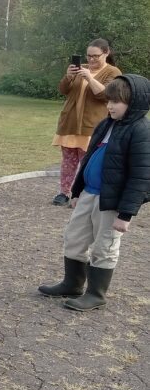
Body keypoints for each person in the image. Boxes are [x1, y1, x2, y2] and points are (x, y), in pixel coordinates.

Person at [38, 74, 150, 310]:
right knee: (74, 237)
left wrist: (126, 214)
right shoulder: (106, 124)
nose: (109, 106)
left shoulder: (141, 131)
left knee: (105, 246)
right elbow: (88, 159)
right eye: (108, 101)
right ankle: (72, 283)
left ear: (135, 102)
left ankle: (96, 293)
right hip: (89, 194)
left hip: (111, 203)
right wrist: (77, 191)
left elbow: (141, 176)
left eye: (116, 102)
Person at [51, 39, 122, 206]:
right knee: (68, 161)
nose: (91, 60)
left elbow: (105, 95)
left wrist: (89, 77)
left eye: (95, 56)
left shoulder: (113, 72)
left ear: (106, 53)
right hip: (70, 122)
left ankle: (84, 194)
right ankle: (64, 192)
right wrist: (68, 77)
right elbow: (63, 90)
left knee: (89, 163)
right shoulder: (80, 68)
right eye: (89, 56)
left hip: (93, 125)